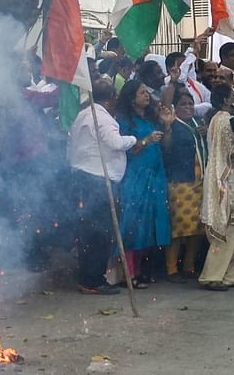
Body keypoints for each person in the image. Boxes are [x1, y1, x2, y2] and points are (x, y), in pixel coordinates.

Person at [67, 79, 145, 295]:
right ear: (111, 98)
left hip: (84, 177)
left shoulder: (83, 115)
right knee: (99, 232)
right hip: (98, 182)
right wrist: (132, 138)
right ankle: (93, 280)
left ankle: (88, 278)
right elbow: (115, 143)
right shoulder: (102, 118)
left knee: (89, 231)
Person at [115, 79, 174, 288]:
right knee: (133, 224)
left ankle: (141, 271)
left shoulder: (150, 119)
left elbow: (166, 147)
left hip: (155, 174)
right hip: (136, 176)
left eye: (146, 92)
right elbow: (128, 150)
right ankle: (128, 274)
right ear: (131, 98)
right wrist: (146, 140)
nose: (146, 95)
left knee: (149, 225)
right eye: (141, 93)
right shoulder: (123, 121)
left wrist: (166, 126)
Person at [199, 84, 234, 290]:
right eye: (233, 95)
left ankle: (232, 274)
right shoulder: (227, 121)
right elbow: (233, 154)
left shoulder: (214, 120)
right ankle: (213, 275)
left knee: (233, 228)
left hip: (215, 174)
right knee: (230, 228)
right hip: (228, 178)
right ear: (227, 99)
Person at [162, 90, 207, 282]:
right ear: (175, 108)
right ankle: (172, 269)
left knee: (197, 228)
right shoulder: (173, 125)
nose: (188, 108)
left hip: (199, 182)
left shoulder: (197, 123)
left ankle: (188, 266)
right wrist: (167, 127)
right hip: (180, 183)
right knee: (178, 229)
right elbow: (166, 147)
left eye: (190, 104)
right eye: (183, 104)